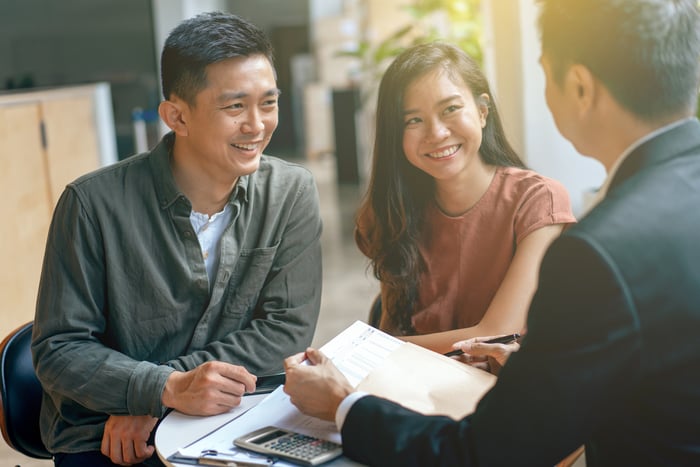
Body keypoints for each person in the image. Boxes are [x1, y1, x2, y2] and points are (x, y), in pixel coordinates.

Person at [284, 0, 700, 465]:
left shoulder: (596, 250)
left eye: (544, 73)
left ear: (579, 86)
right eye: (413, 120)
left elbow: (489, 452)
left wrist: (345, 401)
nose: (435, 132)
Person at [31, 11, 322, 467]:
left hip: (233, 417)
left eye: (268, 102)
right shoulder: (91, 204)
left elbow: (285, 329)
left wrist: (156, 398)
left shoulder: (291, 192)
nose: (257, 124)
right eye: (234, 107)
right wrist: (164, 391)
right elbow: (59, 349)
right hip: (109, 436)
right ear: (177, 117)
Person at [355, 42, 575, 354]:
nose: (437, 132)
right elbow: (393, 326)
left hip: (502, 390)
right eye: (413, 120)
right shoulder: (395, 211)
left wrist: (368, 350)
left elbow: (497, 333)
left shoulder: (539, 201)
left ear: (483, 111)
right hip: (413, 386)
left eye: (451, 109)